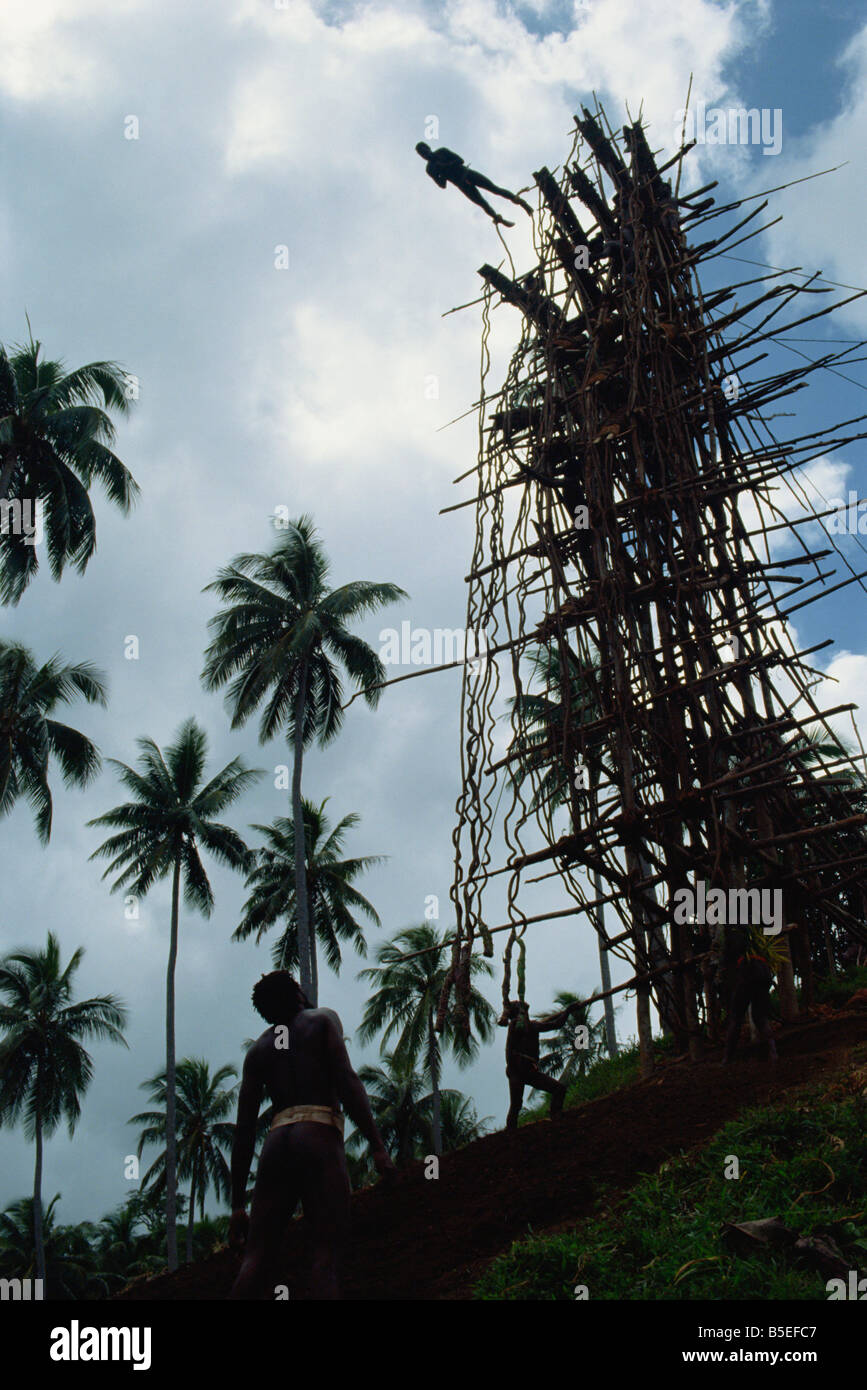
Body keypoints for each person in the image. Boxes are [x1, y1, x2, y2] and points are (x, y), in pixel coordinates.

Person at [228, 971, 394, 1300]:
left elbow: (245, 1130)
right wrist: (377, 1146)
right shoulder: (322, 1021)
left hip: (276, 1142)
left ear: (264, 1012)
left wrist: (236, 1206)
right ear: (299, 995)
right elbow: (347, 1082)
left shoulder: (258, 1051)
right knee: (326, 1253)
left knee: (256, 1257)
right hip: (318, 1133)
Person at [503, 997, 582, 1130]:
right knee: (516, 1104)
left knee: (559, 1089)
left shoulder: (533, 1026)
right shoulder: (516, 1026)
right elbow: (510, 1050)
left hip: (528, 1071)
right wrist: (567, 1011)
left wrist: (568, 1011)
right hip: (517, 1070)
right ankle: (511, 1133)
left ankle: (555, 1115)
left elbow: (557, 1024)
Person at [415, 142, 533, 227]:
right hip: (462, 184)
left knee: (495, 189)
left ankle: (522, 203)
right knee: (482, 203)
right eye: (421, 154)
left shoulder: (442, 152)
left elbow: (460, 160)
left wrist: (447, 166)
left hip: (468, 174)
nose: (424, 154)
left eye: (423, 150)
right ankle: (498, 219)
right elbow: (442, 185)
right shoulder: (430, 169)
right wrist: (441, 174)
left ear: (428, 148)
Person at [722, 927, 778, 1065]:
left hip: (747, 971)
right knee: (760, 1017)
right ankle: (773, 1052)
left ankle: (727, 1060)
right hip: (762, 971)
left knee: (736, 1018)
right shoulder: (754, 922)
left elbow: (728, 951)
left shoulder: (732, 927)